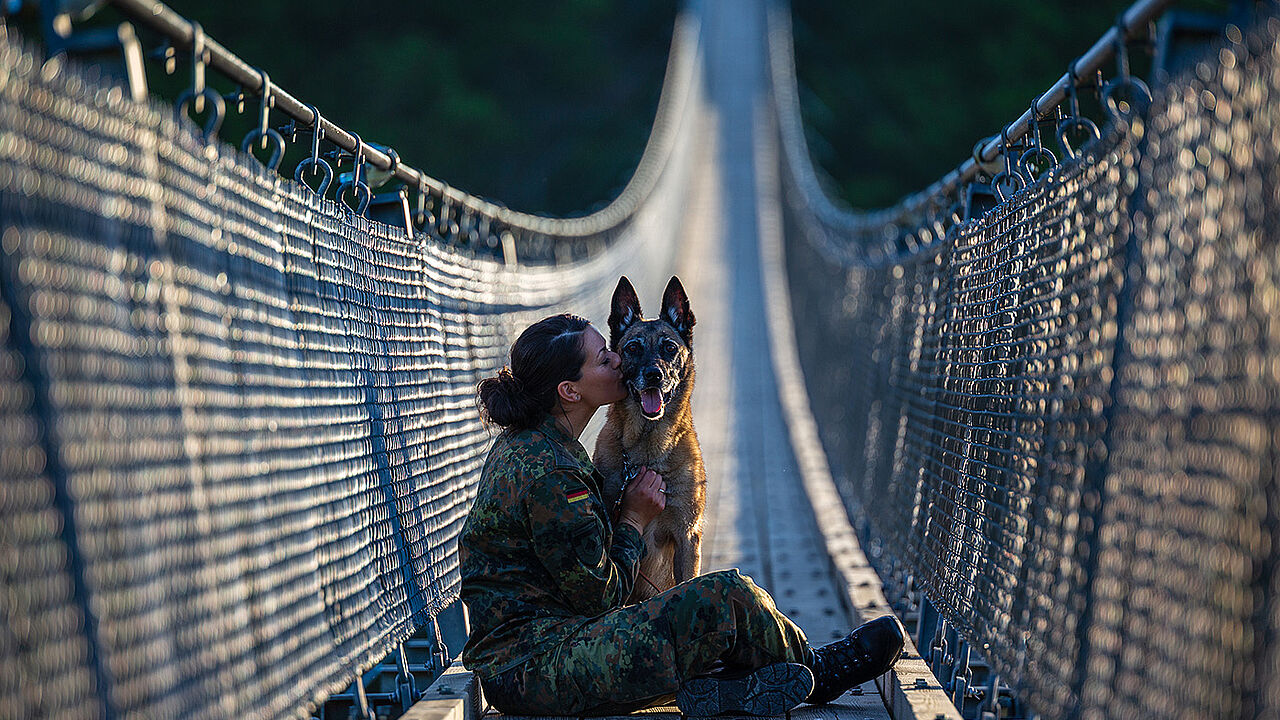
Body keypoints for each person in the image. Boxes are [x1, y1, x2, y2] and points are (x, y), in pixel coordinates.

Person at [458, 313, 906, 716]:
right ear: (570, 390)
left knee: (699, 614)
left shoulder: (542, 445)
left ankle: (726, 689)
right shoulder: (552, 474)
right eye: (603, 358)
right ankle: (819, 671)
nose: (618, 360)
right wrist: (633, 519)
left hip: (545, 655)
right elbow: (600, 597)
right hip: (539, 668)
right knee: (723, 596)